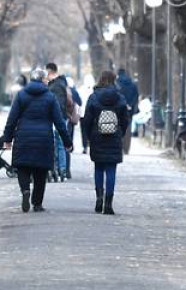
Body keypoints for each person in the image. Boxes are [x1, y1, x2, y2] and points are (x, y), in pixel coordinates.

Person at [0, 68, 74, 212]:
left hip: (23, 137)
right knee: (41, 170)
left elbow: (11, 119)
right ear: (43, 80)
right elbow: (59, 122)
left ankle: (25, 190)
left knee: (23, 167)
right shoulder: (50, 97)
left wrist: (8, 139)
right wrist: (67, 142)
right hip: (44, 139)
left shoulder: (21, 95)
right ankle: (37, 203)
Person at [83, 70, 131, 215]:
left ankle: (99, 198)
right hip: (114, 137)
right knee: (111, 169)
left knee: (98, 168)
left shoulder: (93, 97)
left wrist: (89, 137)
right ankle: (108, 203)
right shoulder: (120, 98)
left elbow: (87, 119)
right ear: (114, 80)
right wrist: (119, 133)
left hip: (97, 136)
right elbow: (125, 119)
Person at [46, 63, 78, 178]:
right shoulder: (62, 84)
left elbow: (57, 103)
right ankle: (62, 169)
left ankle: (59, 169)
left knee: (57, 143)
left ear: (50, 72)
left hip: (57, 117)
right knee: (60, 143)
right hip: (62, 116)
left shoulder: (56, 85)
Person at [116, 68, 139, 154]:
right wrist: (130, 104)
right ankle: (126, 148)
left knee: (118, 127)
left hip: (119, 109)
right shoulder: (132, 84)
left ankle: (119, 147)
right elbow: (136, 96)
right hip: (130, 109)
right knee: (128, 128)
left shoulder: (117, 83)